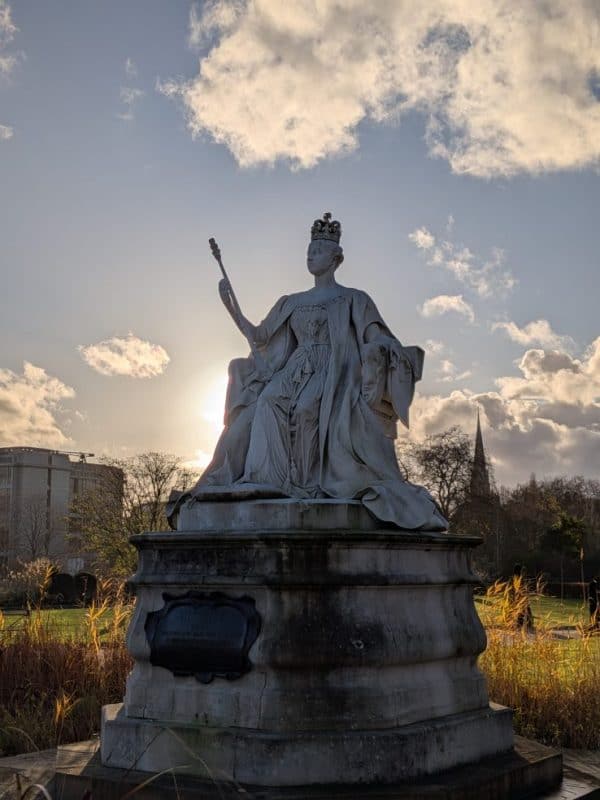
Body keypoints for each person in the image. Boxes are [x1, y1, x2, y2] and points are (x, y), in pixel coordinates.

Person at [182, 213, 447, 531]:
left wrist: (383, 350)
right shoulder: (292, 302)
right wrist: (231, 307)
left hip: (334, 370)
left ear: (336, 259)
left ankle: (307, 486)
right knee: (267, 403)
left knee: (308, 408)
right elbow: (260, 337)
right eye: (309, 250)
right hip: (296, 367)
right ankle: (268, 479)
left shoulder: (354, 298)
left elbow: (374, 335)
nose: (311, 255)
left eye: (318, 251)